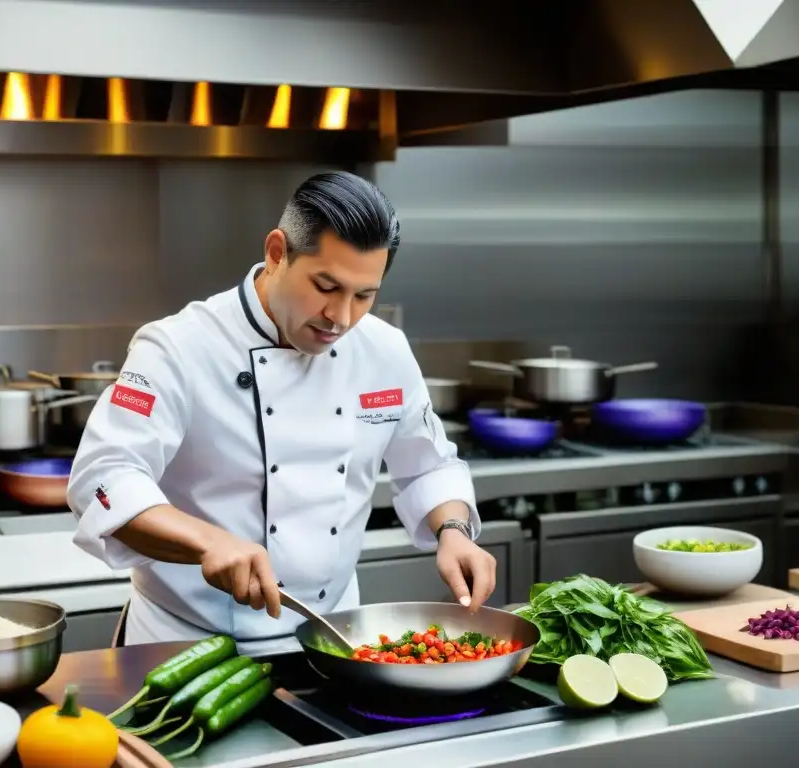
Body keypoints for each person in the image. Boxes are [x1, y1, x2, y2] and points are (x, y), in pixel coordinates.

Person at [67, 171, 493, 652]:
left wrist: (454, 532)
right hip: (182, 643)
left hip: (331, 638)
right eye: (325, 285)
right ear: (276, 252)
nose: (342, 316)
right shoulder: (178, 346)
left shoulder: (384, 351)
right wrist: (208, 541)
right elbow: (102, 478)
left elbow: (429, 465)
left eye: (364, 295)